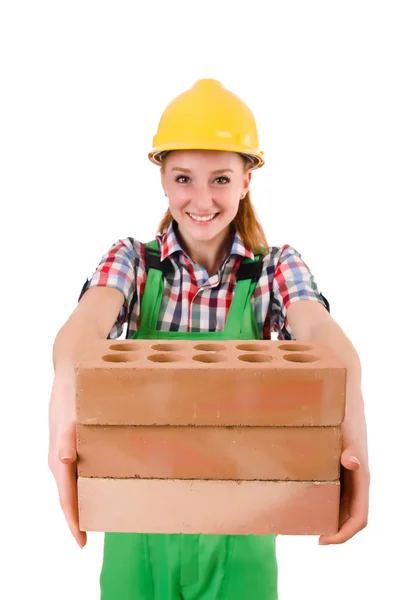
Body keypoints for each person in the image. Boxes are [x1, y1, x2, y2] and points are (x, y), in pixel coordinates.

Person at [48, 79, 370, 599]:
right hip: (138, 529)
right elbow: (81, 330)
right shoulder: (132, 261)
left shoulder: (273, 269)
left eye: (220, 178)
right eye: (184, 178)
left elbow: (326, 339)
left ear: (247, 180)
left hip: (240, 533)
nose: (202, 199)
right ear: (162, 180)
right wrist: (64, 394)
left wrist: (356, 440)